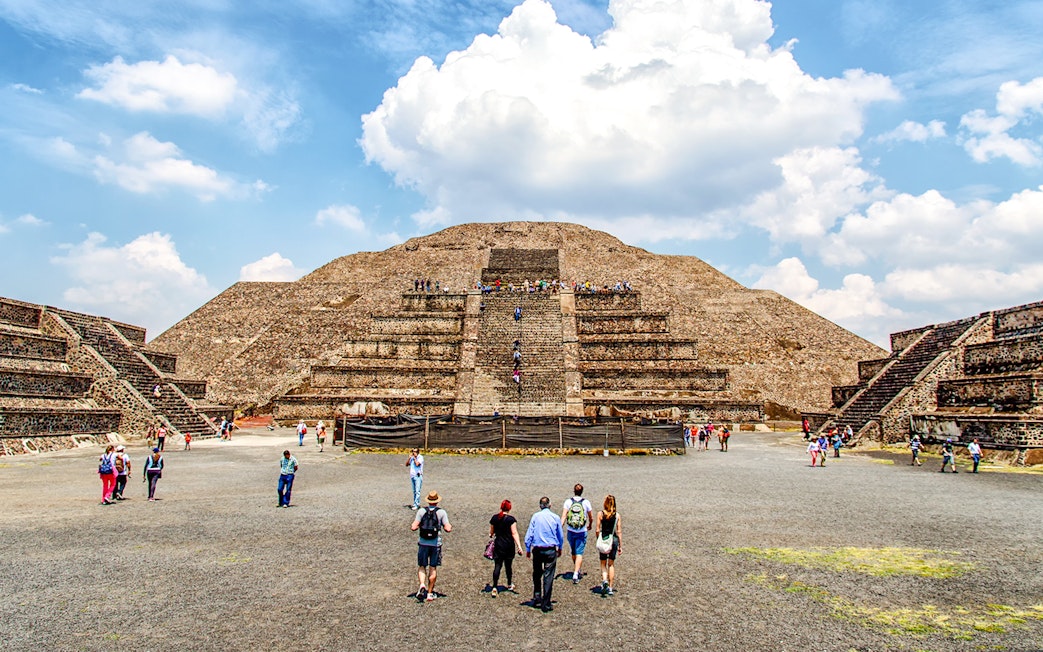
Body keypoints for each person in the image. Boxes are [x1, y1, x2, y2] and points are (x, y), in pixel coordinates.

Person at [411, 490, 452, 602]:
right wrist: (447, 526)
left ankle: (422, 585)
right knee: (433, 568)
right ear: (437, 501)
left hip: (423, 543)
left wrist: (417, 525)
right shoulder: (441, 512)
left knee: (422, 566)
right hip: (435, 544)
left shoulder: (421, 511)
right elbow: (448, 528)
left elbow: (414, 527)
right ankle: (429, 593)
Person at [524, 496, 563, 613]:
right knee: (548, 576)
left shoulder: (535, 517)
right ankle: (546, 602)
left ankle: (537, 597)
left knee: (537, 573)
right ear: (550, 505)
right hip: (550, 549)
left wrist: (527, 548)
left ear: (540, 505)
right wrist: (560, 547)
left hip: (537, 549)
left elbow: (530, 533)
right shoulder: (555, 517)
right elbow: (560, 535)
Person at [487, 499, 524, 597]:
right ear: (509, 508)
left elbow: (491, 532)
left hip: (498, 545)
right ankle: (509, 583)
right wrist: (519, 546)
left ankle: (494, 587)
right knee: (508, 566)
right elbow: (514, 533)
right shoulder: (511, 519)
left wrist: (491, 535)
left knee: (497, 565)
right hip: (508, 545)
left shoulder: (495, 518)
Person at [561, 484, 593, 584]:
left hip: (571, 530)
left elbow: (564, 516)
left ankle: (577, 569)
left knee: (574, 551)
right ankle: (576, 572)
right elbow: (590, 516)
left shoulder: (568, 502)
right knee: (579, 552)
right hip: (581, 530)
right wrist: (590, 524)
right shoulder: (586, 502)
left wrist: (559, 528)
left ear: (573, 491)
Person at [595, 495, 621, 595]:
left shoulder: (600, 514)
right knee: (611, 564)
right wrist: (620, 545)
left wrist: (598, 539)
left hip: (604, 538)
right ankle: (610, 587)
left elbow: (597, 529)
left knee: (603, 563)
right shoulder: (617, 516)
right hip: (613, 540)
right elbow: (619, 531)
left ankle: (604, 580)